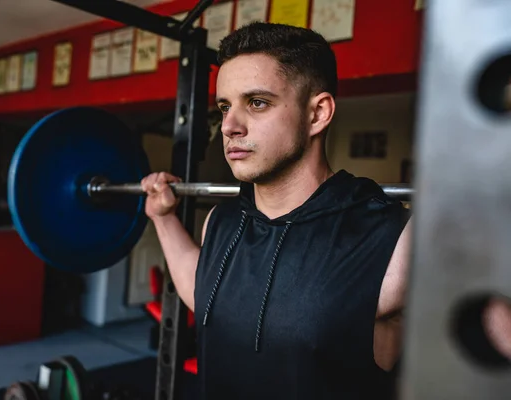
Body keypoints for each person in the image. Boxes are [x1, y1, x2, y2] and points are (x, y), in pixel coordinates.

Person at [140, 22, 511, 399]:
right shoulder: (221, 221)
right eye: (224, 106)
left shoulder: (388, 236)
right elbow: (204, 292)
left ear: (317, 113)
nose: (229, 126)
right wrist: (163, 218)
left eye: (257, 102)